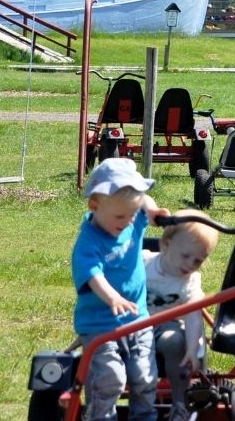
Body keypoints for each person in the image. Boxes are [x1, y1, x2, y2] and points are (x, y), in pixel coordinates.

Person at [72, 158, 170, 421]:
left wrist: (152, 210)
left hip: (138, 320)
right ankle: (100, 417)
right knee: (110, 380)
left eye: (132, 215)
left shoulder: (130, 219)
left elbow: (143, 201)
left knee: (145, 377)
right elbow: (93, 276)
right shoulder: (89, 241)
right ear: (95, 205)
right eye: (120, 217)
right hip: (100, 325)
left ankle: (144, 417)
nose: (128, 222)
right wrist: (112, 297)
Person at [142, 209, 219, 421]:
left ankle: (180, 404)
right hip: (135, 323)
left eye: (198, 261)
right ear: (166, 244)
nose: (190, 265)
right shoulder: (142, 263)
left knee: (175, 341)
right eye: (186, 256)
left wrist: (193, 349)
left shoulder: (190, 282)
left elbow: (194, 316)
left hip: (167, 325)